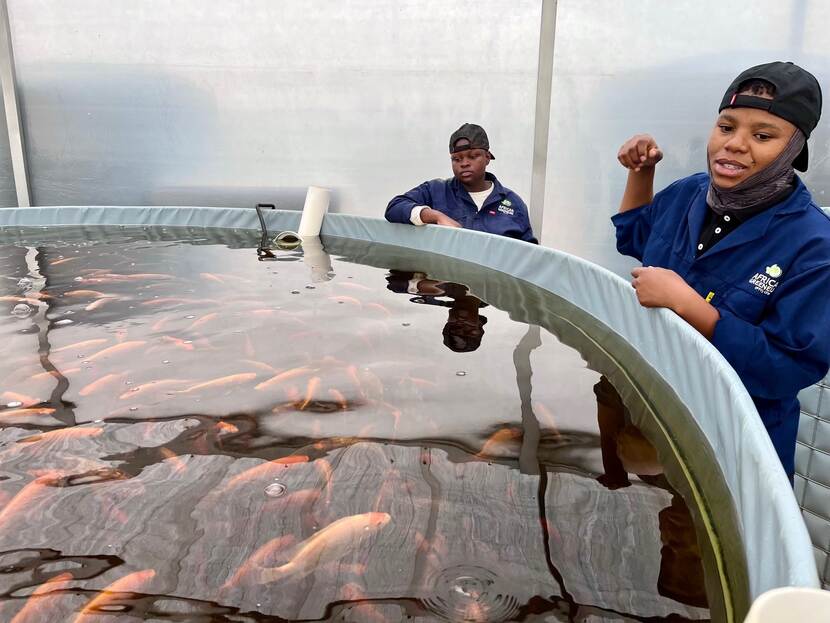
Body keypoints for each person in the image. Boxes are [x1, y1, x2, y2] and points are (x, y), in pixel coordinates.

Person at [612, 61, 830, 480]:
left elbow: (787, 368)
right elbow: (633, 238)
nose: (734, 144)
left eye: (763, 136)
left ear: (794, 149)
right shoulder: (687, 193)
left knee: (718, 545)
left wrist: (692, 307)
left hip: (736, 447)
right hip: (660, 412)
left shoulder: (813, 245)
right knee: (673, 541)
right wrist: (641, 173)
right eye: (726, 127)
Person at [385, 123, 538, 244]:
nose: (464, 163)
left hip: (491, 282)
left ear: (487, 157)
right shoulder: (436, 191)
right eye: (456, 159)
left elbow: (529, 256)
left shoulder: (514, 204)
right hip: (441, 279)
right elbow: (394, 207)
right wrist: (435, 216)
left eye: (473, 156)